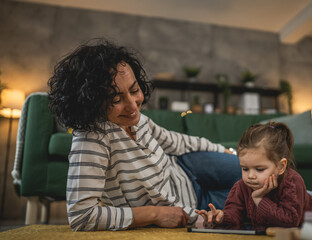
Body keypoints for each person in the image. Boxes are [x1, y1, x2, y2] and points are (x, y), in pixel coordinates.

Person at [48, 39, 240, 231]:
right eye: (116, 99)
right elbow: (82, 216)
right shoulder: (92, 138)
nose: (133, 106)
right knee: (260, 198)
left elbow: (177, 142)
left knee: (261, 172)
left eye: (134, 90)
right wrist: (155, 214)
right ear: (91, 100)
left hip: (189, 166)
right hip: (194, 205)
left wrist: (225, 151)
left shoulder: (138, 120)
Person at [196, 122, 312, 229]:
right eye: (245, 169)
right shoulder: (241, 187)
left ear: (281, 166)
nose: (250, 176)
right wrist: (222, 217)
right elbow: (234, 214)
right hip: (300, 198)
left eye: (259, 169)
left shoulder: (293, 182)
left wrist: (259, 200)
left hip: (310, 207)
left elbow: (291, 221)